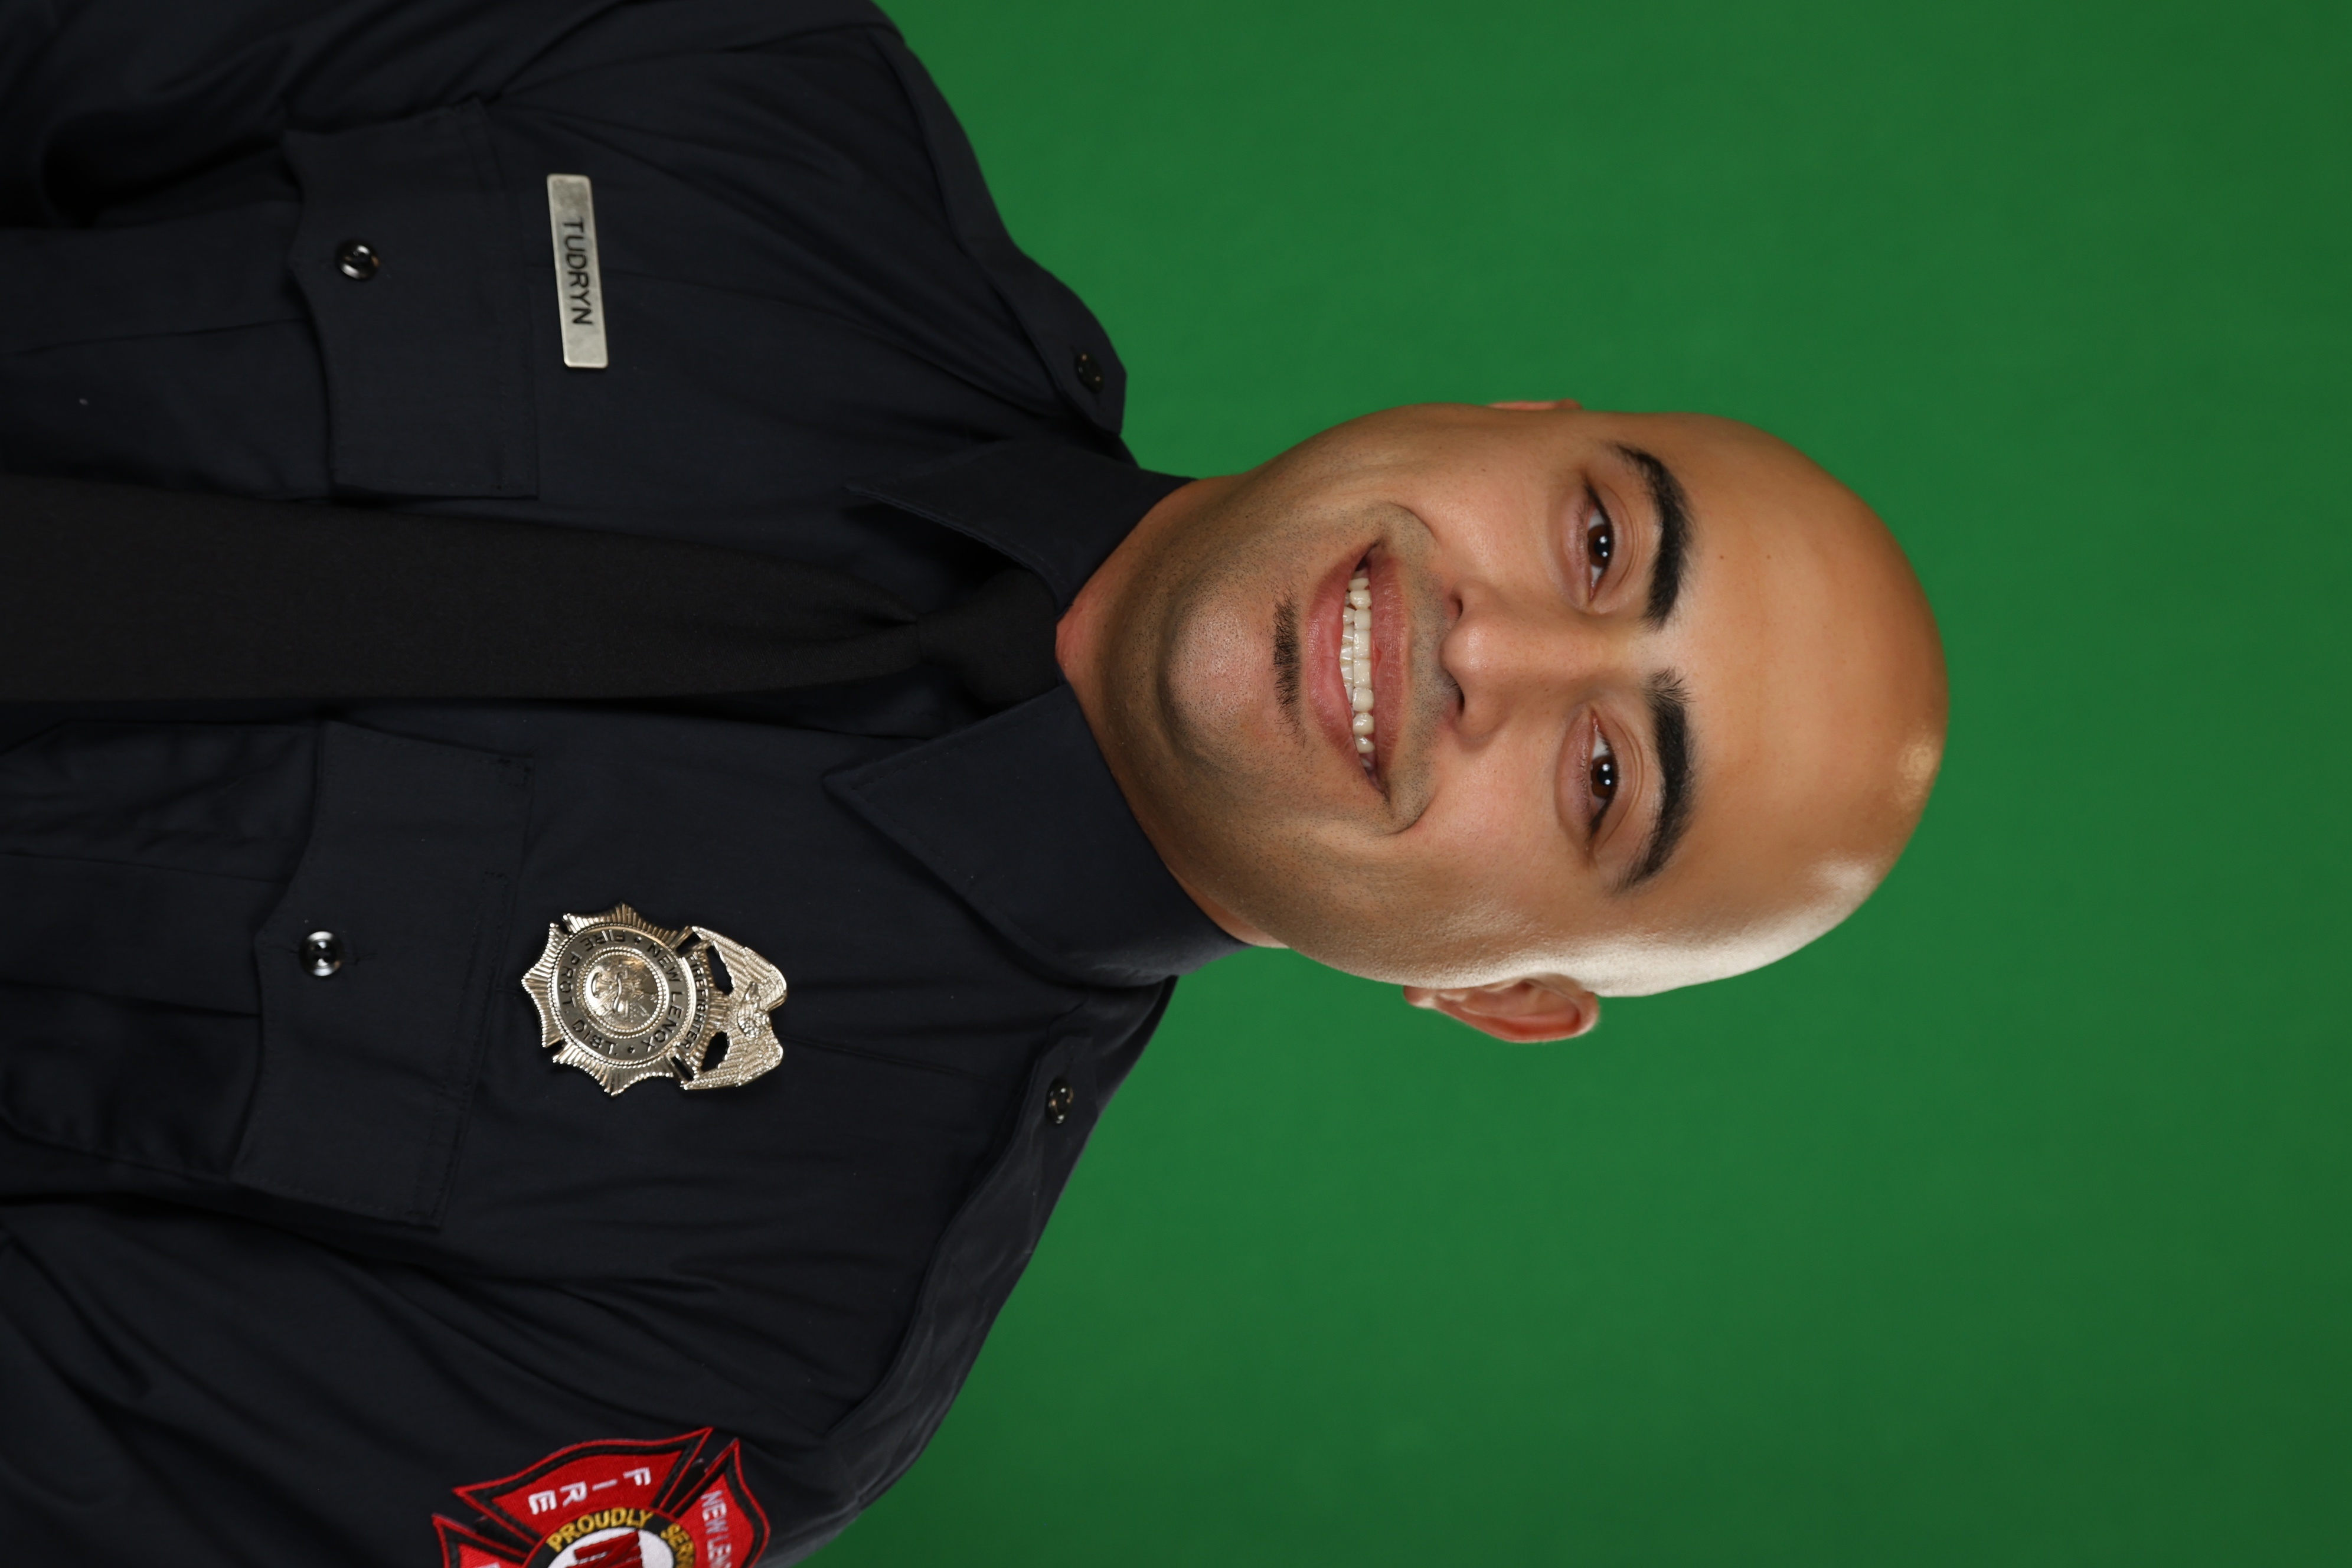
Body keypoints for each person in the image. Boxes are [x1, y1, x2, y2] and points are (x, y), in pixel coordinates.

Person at [0, 0, 1945, 1562]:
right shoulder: (737, 87)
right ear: (1518, 417)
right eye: (1598, 544)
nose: (1484, 651)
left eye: (1604, 778)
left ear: (1497, 992)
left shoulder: (750, 1359)